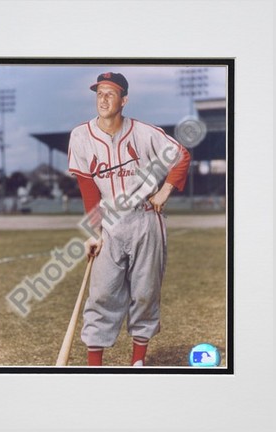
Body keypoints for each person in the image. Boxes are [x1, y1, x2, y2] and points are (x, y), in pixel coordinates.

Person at [68, 72, 191, 366]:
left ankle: (138, 361)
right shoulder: (81, 135)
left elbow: (181, 155)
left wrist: (163, 193)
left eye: (111, 93)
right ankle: (94, 365)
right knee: (101, 294)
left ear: (124, 100)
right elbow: (87, 188)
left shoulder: (145, 133)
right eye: (99, 93)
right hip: (109, 222)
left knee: (146, 292)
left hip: (145, 220)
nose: (103, 98)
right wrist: (94, 232)